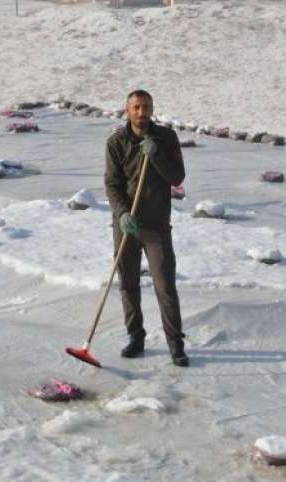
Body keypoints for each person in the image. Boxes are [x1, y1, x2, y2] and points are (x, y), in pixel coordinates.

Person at [104, 90, 189, 367]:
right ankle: (135, 337)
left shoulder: (166, 138)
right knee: (128, 284)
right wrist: (122, 213)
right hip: (127, 225)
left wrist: (155, 157)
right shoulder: (116, 142)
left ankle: (175, 344)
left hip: (156, 226)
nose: (142, 112)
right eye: (137, 107)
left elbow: (177, 177)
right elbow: (112, 184)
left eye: (147, 107)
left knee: (165, 286)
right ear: (127, 110)